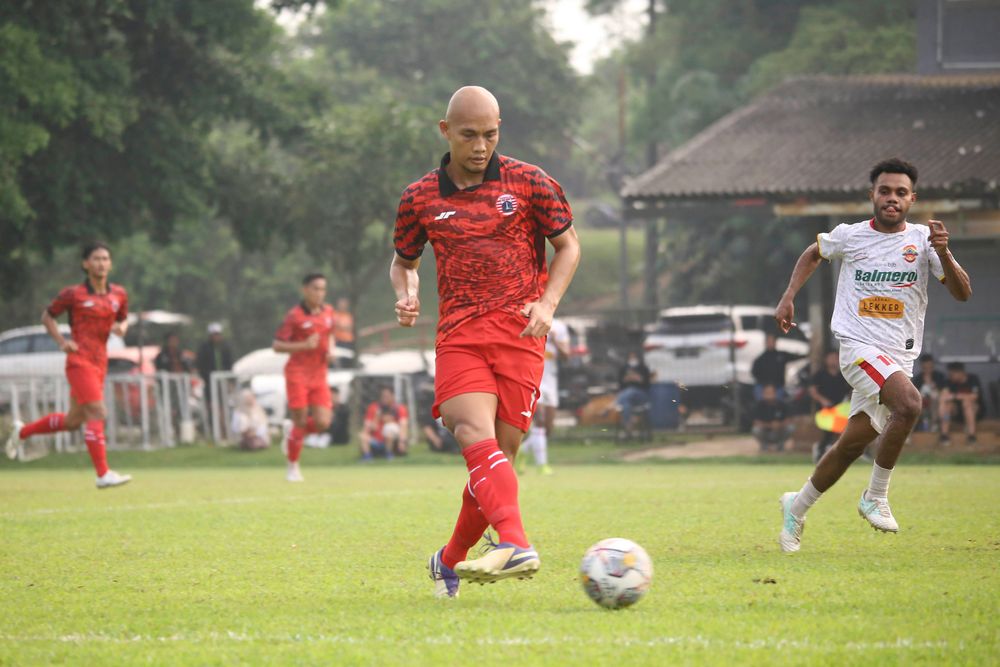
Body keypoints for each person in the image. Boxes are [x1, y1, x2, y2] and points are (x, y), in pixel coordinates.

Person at [391, 85, 580, 597]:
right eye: (469, 135)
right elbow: (403, 261)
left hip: (520, 336)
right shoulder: (419, 197)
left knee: (498, 460)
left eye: (490, 135)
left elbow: (568, 246)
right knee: (472, 431)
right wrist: (406, 293)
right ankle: (515, 541)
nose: (480, 146)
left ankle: (448, 561)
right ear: (445, 130)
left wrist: (548, 304)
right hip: (459, 336)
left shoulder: (530, 182)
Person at [775, 157, 972, 553]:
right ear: (872, 195)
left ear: (912, 199)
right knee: (911, 403)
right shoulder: (850, 236)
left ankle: (795, 507)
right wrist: (788, 296)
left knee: (850, 445)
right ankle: (875, 496)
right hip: (857, 348)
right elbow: (813, 253)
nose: (892, 199)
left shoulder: (922, 241)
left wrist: (945, 253)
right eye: (885, 191)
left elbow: (962, 292)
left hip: (897, 359)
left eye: (901, 193)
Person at [5, 242, 132, 488]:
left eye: (105, 258)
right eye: (96, 259)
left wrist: (122, 328)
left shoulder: (119, 294)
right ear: (85, 264)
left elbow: (123, 319)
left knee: (74, 421)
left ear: (111, 263)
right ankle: (102, 473)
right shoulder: (74, 294)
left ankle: (22, 432)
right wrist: (62, 342)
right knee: (97, 412)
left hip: (100, 362)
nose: (101, 263)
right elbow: (47, 316)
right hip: (79, 361)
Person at [272, 274, 336, 481]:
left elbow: (330, 334)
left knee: (323, 423)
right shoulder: (294, 316)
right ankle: (293, 466)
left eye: (323, 289)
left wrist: (331, 350)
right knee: (300, 420)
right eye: (315, 288)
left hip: (319, 373)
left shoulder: (328, 312)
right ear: (305, 290)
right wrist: (303, 345)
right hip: (297, 373)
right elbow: (277, 345)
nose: (320, 293)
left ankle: (292, 434)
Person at [519, 317, 570, 474]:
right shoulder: (529, 319)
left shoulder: (559, 326)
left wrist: (553, 339)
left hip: (551, 380)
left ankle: (522, 450)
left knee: (547, 428)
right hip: (534, 377)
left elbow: (566, 356)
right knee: (539, 421)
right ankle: (542, 466)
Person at [808, 350, 851, 461]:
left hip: (840, 410)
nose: (834, 360)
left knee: (844, 431)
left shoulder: (843, 375)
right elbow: (812, 391)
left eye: (836, 358)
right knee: (829, 431)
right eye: (831, 358)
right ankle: (820, 451)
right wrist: (823, 400)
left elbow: (850, 391)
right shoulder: (820, 374)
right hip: (824, 410)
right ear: (826, 360)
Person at [196, 322, 234, 428]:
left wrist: (229, 380)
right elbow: (201, 365)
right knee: (211, 405)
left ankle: (225, 427)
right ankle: (213, 427)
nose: (217, 337)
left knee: (223, 405)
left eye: (218, 334)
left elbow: (229, 364)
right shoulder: (204, 348)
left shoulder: (225, 347)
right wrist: (207, 378)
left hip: (223, 382)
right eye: (214, 334)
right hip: (210, 382)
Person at [938, 361, 984, 446]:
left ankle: (971, 435)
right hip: (955, 413)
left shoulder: (973, 379)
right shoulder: (949, 382)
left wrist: (955, 396)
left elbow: (975, 396)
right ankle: (944, 435)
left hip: (974, 412)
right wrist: (942, 408)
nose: (950, 376)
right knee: (947, 406)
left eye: (952, 374)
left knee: (967, 403)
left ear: (960, 372)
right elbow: (944, 396)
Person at [359, 387, 410, 460]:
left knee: (389, 429)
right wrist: (377, 417)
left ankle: (389, 454)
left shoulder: (399, 408)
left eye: (387, 396)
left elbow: (403, 426)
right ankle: (367, 456)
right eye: (383, 396)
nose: (385, 398)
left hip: (393, 440)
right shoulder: (373, 408)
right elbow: (369, 427)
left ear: (393, 396)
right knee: (362, 435)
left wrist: (402, 441)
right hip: (376, 440)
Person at [615, 351, 652, 439]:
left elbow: (647, 385)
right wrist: (627, 379)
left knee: (630, 391)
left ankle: (615, 403)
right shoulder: (624, 368)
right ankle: (629, 426)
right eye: (631, 357)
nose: (632, 359)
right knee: (627, 404)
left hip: (641, 396)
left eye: (634, 357)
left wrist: (638, 379)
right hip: (627, 398)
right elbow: (620, 385)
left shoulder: (643, 368)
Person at [751, 384, 794, 452]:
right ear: (763, 393)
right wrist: (770, 425)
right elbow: (756, 421)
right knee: (756, 429)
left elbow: (789, 419)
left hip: (779, 431)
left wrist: (779, 425)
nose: (769, 395)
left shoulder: (782, 404)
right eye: (767, 393)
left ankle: (780, 444)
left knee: (790, 428)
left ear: (775, 393)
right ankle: (764, 445)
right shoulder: (759, 405)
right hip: (765, 432)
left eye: (770, 392)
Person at [751, 334, 794, 400]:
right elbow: (754, 373)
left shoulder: (781, 355)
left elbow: (795, 357)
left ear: (775, 342)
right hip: (763, 385)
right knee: (759, 393)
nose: (770, 343)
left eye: (772, 341)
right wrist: (767, 385)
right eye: (768, 341)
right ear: (765, 343)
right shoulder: (760, 359)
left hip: (778, 386)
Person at [912, 353, 946, 432]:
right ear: (922, 366)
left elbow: (944, 392)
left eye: (929, 367)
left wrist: (932, 386)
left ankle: (935, 424)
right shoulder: (918, 379)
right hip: (922, 405)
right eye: (925, 367)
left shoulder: (939, 377)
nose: (928, 369)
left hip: (936, 405)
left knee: (935, 398)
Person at [332, 297, 355, 368]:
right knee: (337, 360)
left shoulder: (349, 316)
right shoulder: (334, 314)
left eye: (344, 304)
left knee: (348, 360)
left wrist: (341, 326)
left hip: (348, 342)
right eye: (341, 304)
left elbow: (350, 327)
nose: (342, 305)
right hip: (338, 342)